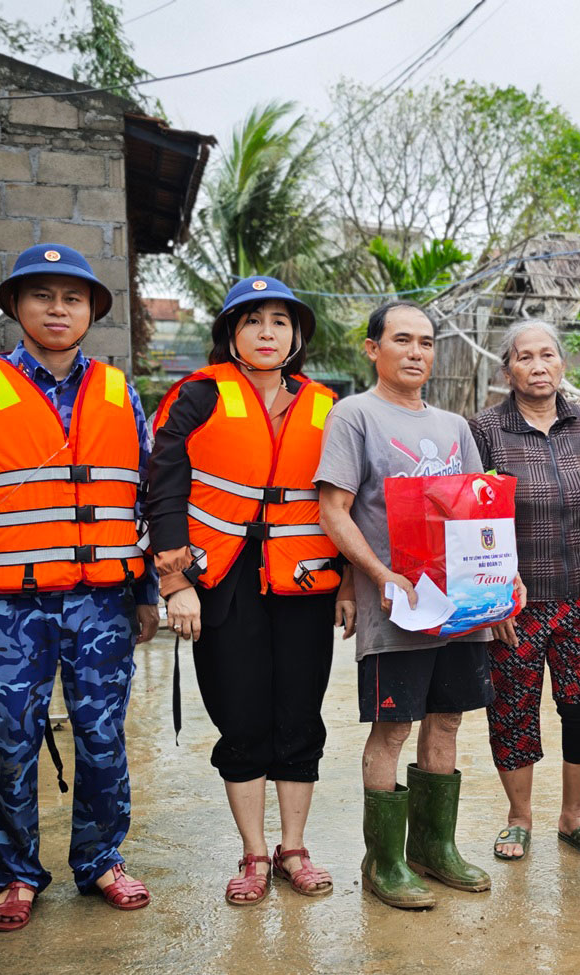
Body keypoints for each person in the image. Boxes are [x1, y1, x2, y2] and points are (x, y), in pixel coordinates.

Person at [0, 243, 159, 932]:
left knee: (104, 737)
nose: (58, 309)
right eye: (43, 297)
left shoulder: (120, 392)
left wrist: (145, 594)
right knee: (11, 743)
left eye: (73, 298)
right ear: (16, 308)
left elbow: (141, 502)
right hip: (7, 607)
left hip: (103, 603)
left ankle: (101, 859)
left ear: (91, 312)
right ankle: (16, 873)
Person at [148, 276, 355, 905]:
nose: (268, 333)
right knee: (240, 716)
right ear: (231, 333)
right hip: (221, 579)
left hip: (303, 580)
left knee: (300, 714)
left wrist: (346, 582)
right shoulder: (198, 395)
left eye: (280, 322)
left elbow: (348, 499)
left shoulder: (328, 405)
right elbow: (162, 485)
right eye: (253, 321)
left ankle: (294, 848)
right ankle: (254, 853)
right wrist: (174, 580)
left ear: (297, 336)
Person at [317, 301, 509, 910]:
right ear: (373, 349)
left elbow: (480, 511)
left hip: (459, 607)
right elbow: (333, 511)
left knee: (448, 720)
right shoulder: (354, 416)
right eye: (403, 340)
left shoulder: (455, 427)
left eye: (426, 342)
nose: (417, 352)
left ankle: (435, 847)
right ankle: (387, 861)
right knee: (393, 727)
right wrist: (378, 576)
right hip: (396, 607)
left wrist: (503, 581)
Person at [469, 319, 580, 862]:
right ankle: (519, 818)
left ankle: (573, 817)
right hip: (516, 604)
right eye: (524, 357)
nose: (537, 366)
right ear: (507, 369)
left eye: (547, 355)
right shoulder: (486, 430)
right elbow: (472, 518)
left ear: (562, 363)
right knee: (512, 711)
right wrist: (492, 593)